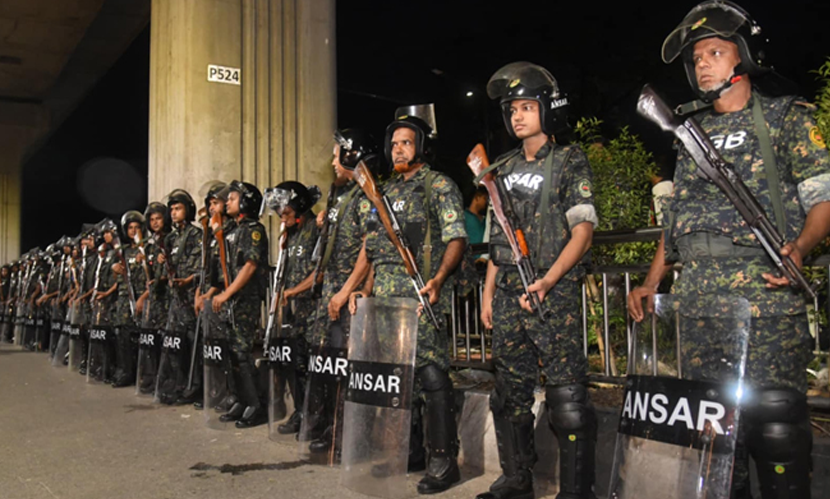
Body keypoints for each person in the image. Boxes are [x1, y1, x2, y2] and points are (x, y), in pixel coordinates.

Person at [628, 2, 830, 497]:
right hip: (698, 303)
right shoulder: (688, 131)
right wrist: (652, 282)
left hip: (764, 294)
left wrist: (800, 246)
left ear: (745, 57)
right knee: (713, 432)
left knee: (776, 423)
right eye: (696, 57)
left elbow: (823, 199)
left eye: (715, 52)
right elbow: (675, 222)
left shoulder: (786, 117)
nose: (702, 64)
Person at [477, 61, 598, 499]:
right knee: (509, 395)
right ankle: (516, 479)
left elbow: (583, 231)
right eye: (512, 110)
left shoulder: (569, 160)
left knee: (568, 403)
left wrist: (549, 279)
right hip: (509, 294)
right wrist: (488, 294)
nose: (518, 117)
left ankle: (576, 490)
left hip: (554, 294)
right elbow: (498, 239)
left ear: (548, 110)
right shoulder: (501, 169)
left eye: (527, 107)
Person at [364, 113, 467, 494]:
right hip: (387, 297)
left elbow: (456, 237)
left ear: (421, 147)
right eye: (393, 144)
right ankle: (411, 451)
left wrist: (439, 279)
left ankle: (443, 458)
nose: (398, 150)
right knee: (399, 376)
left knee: (430, 373)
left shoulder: (437, 185)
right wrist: (366, 290)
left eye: (406, 143)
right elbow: (376, 249)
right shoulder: (386, 192)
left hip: (420, 292)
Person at [301, 128, 376, 458]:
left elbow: (368, 247)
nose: (332, 161)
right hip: (332, 292)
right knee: (331, 365)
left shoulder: (364, 195)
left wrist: (348, 291)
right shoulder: (342, 196)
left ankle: (349, 436)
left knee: (349, 368)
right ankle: (332, 426)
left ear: (350, 156)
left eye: (336, 155)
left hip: (348, 297)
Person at [209, 181, 270, 428]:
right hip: (232, 299)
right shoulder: (232, 230)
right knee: (232, 353)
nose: (228, 203)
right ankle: (241, 400)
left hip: (245, 299)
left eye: (233, 199)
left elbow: (250, 265)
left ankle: (256, 405)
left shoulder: (253, 230)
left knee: (242, 353)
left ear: (245, 202)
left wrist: (227, 294)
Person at [274, 181, 322, 435]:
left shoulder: (316, 228)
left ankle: (316, 417)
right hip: (296, 312)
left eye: (286, 210)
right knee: (296, 363)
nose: (282, 215)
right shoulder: (291, 234)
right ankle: (301, 412)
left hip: (314, 310)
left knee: (315, 366)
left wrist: (294, 291)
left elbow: (320, 271)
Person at [156, 189, 202, 405]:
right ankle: (178, 383)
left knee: (193, 344)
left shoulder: (196, 235)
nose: (174, 213)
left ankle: (195, 387)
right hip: (175, 300)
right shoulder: (170, 239)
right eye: (172, 209)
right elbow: (166, 272)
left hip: (191, 297)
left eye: (178, 208)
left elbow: (201, 268)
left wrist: (189, 281)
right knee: (175, 344)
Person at [135, 202, 171, 394]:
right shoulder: (152, 243)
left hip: (165, 297)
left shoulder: (168, 239)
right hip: (155, 298)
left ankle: (164, 381)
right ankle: (153, 379)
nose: (155, 222)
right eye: (152, 219)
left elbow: (164, 273)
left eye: (158, 218)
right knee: (153, 340)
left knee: (166, 340)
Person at [111, 211, 147, 387]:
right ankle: (125, 371)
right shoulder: (123, 251)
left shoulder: (147, 247)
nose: (133, 231)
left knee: (143, 338)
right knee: (122, 335)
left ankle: (143, 373)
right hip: (125, 298)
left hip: (142, 297)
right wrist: (115, 267)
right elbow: (114, 267)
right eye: (130, 228)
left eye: (137, 227)